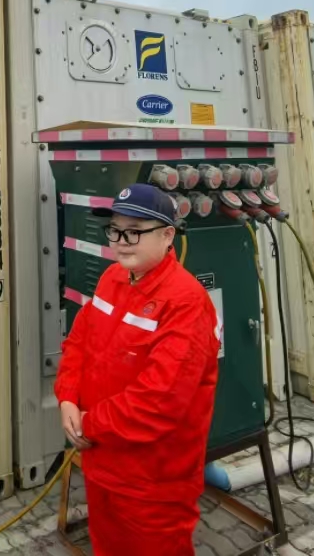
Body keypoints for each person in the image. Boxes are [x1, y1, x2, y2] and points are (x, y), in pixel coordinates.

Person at [54, 183, 220, 556]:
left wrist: (88, 424)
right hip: (102, 464)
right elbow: (78, 344)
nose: (122, 241)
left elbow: (159, 401)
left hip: (153, 482)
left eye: (135, 231)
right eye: (115, 230)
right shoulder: (112, 279)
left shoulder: (186, 302)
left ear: (167, 236)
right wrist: (67, 398)